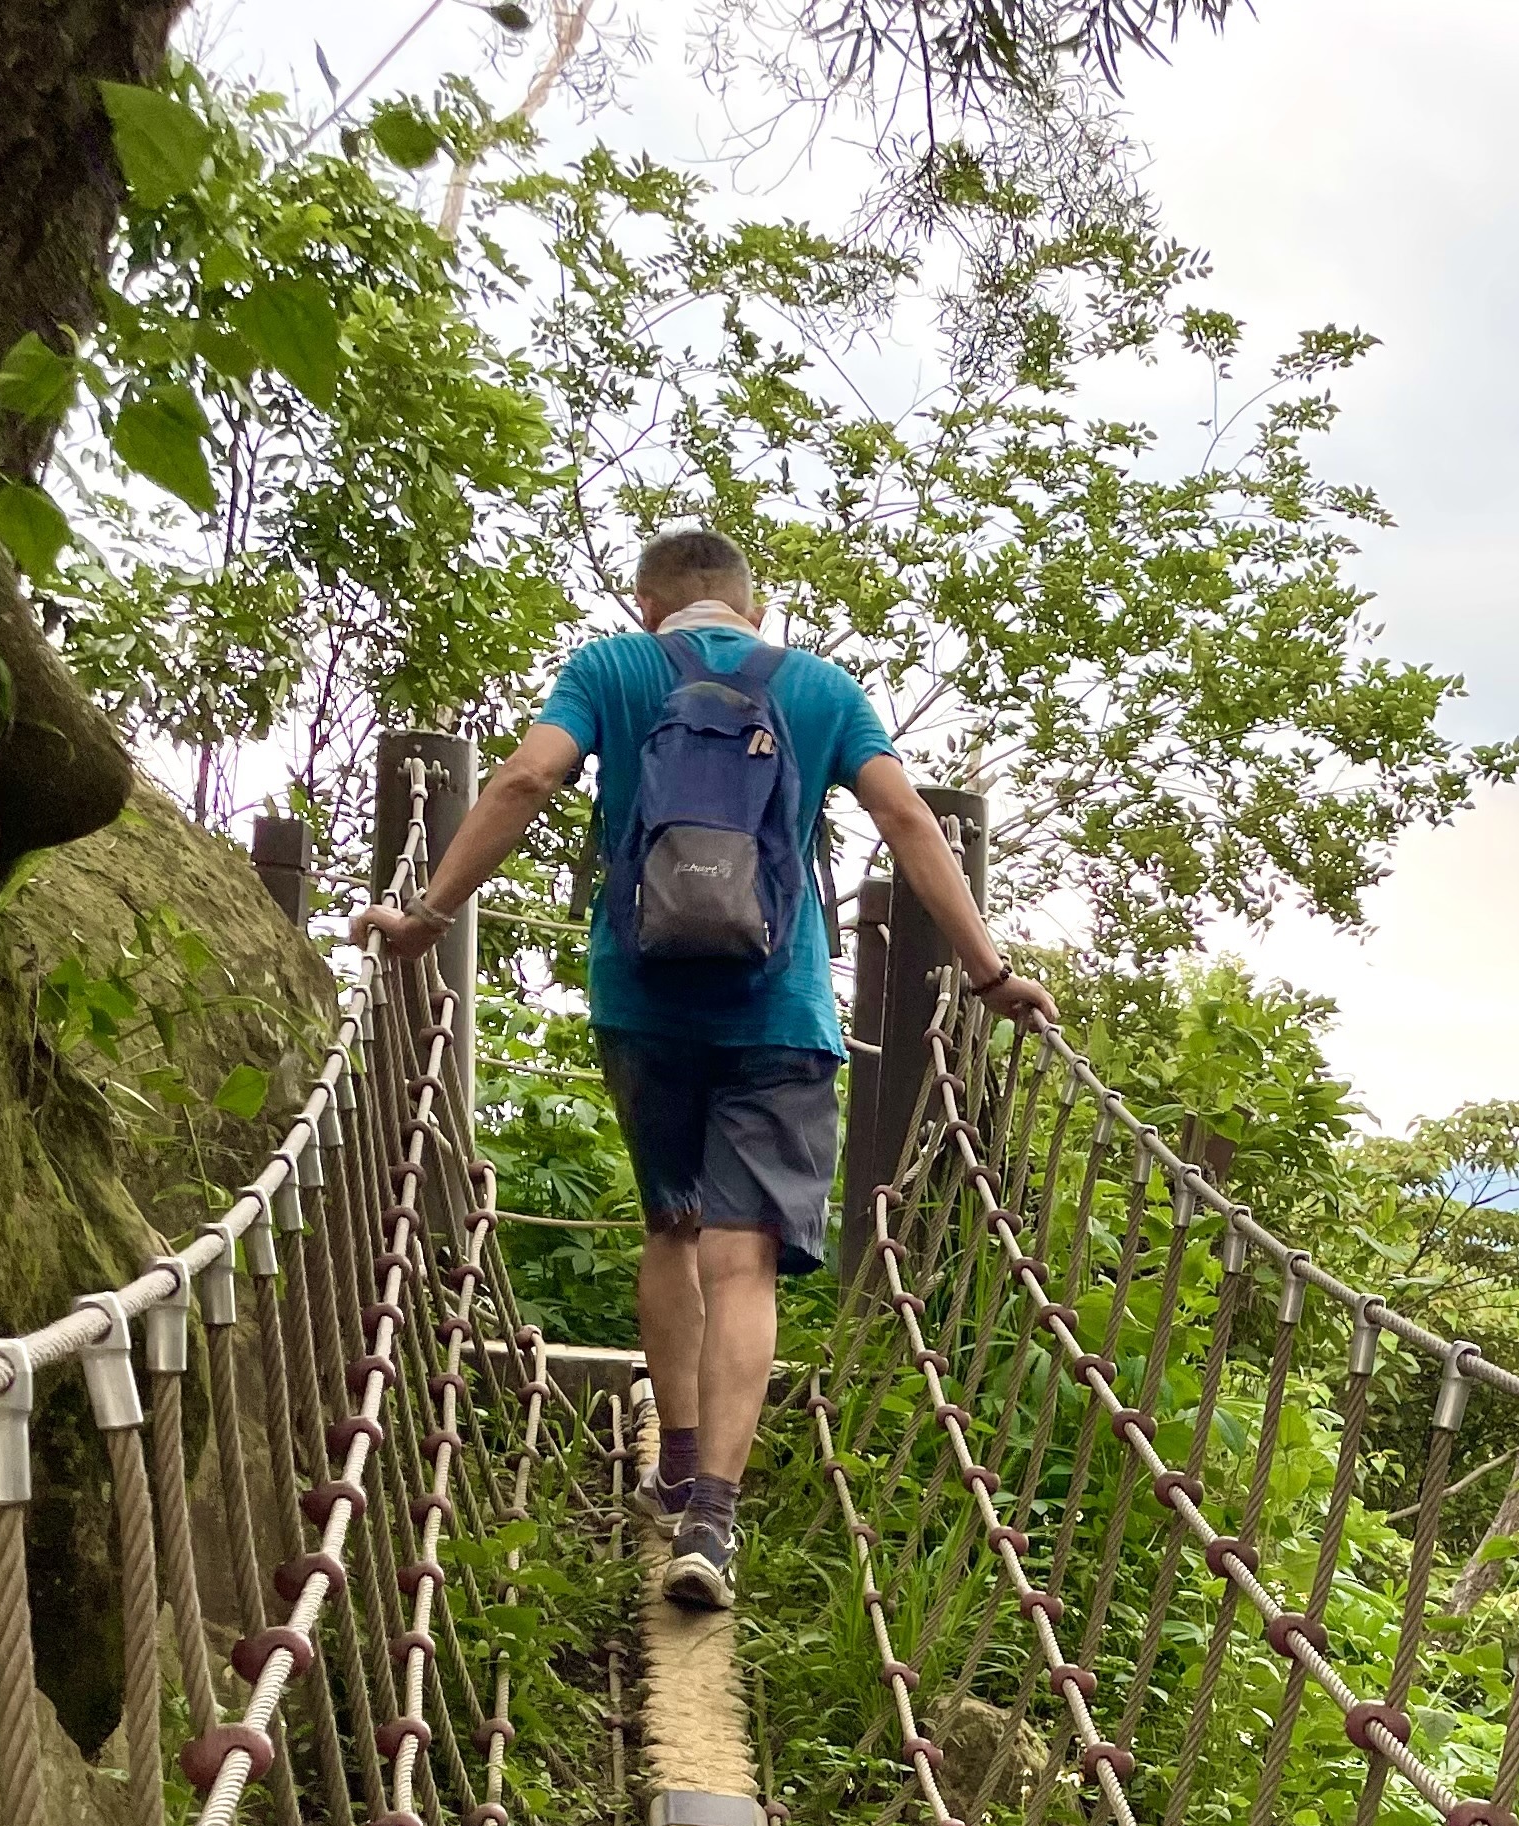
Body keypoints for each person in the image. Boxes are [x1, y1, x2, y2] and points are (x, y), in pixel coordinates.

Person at [356, 527, 1046, 1610]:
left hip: (643, 1003)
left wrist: (427, 917)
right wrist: (990, 973)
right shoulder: (819, 688)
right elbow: (908, 818)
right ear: (753, 609)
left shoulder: (610, 669)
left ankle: (675, 1465)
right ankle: (713, 1521)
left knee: (671, 1225)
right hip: (779, 1010)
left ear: (648, 605)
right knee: (743, 1262)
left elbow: (527, 777)